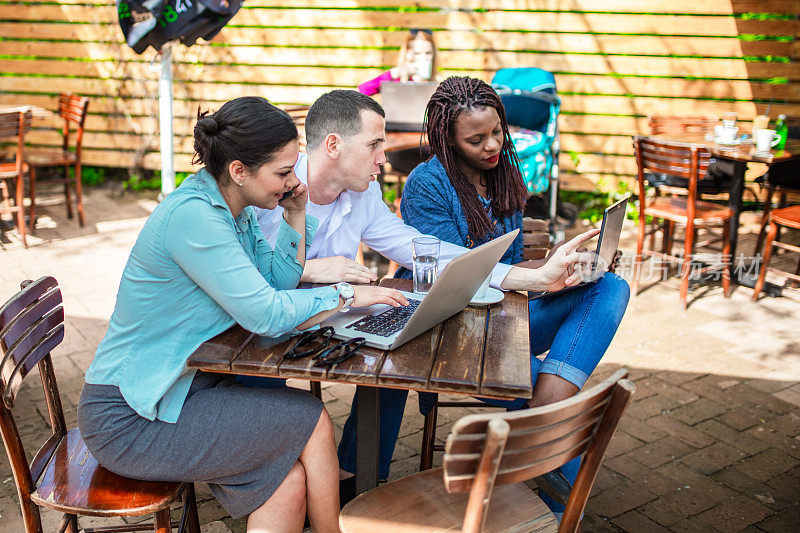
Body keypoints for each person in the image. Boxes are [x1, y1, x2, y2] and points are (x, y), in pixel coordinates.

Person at [253, 89, 604, 505]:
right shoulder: (269, 188)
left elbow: (420, 248)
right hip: (259, 328)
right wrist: (310, 270)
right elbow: (240, 275)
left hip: (330, 321)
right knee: (275, 417)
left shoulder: (363, 194)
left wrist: (527, 275)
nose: (384, 157)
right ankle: (295, 486)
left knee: (397, 339)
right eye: (375, 145)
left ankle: (357, 481)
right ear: (334, 145)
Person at [77, 96, 407, 533]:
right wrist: (348, 293)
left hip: (187, 388)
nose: (293, 180)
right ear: (239, 171)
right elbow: (266, 313)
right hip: (131, 414)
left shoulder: (237, 209)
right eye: (284, 172)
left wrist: (296, 213)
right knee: (310, 419)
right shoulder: (195, 217)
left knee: (287, 481)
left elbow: (276, 281)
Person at [398, 76, 630, 516]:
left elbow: (512, 267)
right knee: (563, 416)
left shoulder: (503, 170)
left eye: (497, 132)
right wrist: (537, 279)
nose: (493, 146)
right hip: (454, 330)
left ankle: (540, 422)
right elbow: (457, 279)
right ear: (447, 140)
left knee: (611, 286)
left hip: (506, 319)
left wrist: (559, 273)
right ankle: (555, 485)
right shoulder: (427, 186)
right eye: (476, 139)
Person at [357, 29, 438, 97]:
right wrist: (393, 73)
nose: (423, 58)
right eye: (417, 53)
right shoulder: (395, 80)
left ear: (434, 54)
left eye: (428, 53)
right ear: (408, 54)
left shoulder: (439, 84)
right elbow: (363, 90)